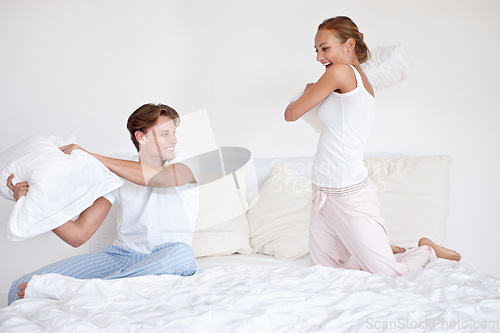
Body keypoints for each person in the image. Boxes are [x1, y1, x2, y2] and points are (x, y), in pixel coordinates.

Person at [284, 16, 460, 277]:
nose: (320, 57)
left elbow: (290, 113)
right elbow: (332, 128)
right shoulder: (355, 80)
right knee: (326, 270)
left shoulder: (340, 73)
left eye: (325, 48)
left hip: (348, 191)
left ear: (349, 44)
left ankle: (428, 250)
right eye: (317, 50)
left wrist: (306, 93)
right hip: (322, 193)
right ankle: (379, 248)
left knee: (390, 273)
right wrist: (315, 94)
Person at [7, 103, 199, 305]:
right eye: (165, 133)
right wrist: (30, 203)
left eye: (174, 133)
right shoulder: (114, 174)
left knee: (183, 257)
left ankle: (78, 290)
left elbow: (160, 178)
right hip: (121, 257)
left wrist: (89, 157)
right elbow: (78, 235)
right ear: (141, 137)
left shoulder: (188, 161)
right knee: (21, 286)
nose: (174, 140)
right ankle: (98, 289)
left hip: (165, 259)